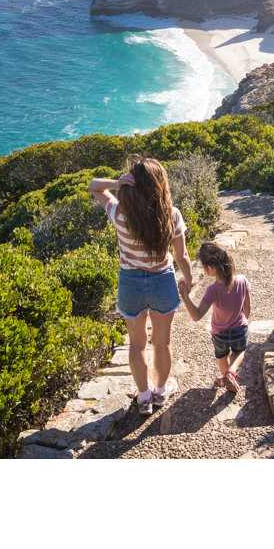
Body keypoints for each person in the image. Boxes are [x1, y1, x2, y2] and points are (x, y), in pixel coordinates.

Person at [90, 156, 193, 415]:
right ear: (161, 185)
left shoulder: (119, 214)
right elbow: (181, 256)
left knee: (136, 344)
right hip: (163, 280)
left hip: (131, 283)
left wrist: (117, 183)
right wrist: (188, 279)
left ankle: (144, 397)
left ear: (132, 185)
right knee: (162, 344)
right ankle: (160, 391)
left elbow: (94, 186)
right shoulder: (172, 215)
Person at [178, 241, 251, 393]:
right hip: (240, 329)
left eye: (204, 268)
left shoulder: (212, 290)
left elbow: (197, 315)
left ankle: (227, 377)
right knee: (240, 351)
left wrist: (185, 296)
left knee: (222, 357)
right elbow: (247, 308)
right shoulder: (242, 280)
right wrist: (244, 320)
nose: (204, 271)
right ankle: (231, 374)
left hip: (220, 334)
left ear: (211, 268)